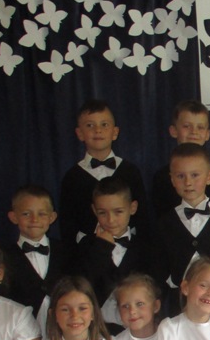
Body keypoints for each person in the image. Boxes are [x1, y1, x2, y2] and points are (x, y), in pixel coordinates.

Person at [156, 142, 210, 314]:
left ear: (209, 177)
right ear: (172, 179)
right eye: (180, 176)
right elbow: (158, 267)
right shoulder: (166, 222)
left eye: (195, 175)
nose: (188, 182)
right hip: (179, 305)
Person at [70, 176, 163, 332]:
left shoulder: (147, 247)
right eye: (102, 213)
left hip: (139, 329)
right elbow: (82, 287)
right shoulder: (86, 246)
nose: (111, 220)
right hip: (96, 330)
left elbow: (153, 289)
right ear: (94, 210)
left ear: (132, 208)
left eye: (118, 212)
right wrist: (102, 248)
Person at [58, 99, 148, 250]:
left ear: (115, 132)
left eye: (104, 124)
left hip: (129, 252)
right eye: (90, 125)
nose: (98, 130)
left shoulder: (131, 171)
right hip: (88, 253)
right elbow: (68, 226)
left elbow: (142, 218)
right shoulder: (72, 177)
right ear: (80, 133)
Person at [1, 184, 64, 334]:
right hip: (22, 333)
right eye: (26, 214)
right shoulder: (4, 256)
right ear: (13, 217)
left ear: (52, 217)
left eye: (42, 214)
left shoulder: (67, 251)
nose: (34, 219)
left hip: (63, 332)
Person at [150, 100, 210, 218]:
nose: (194, 132)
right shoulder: (162, 177)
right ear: (174, 131)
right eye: (186, 126)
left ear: (207, 134)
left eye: (200, 127)